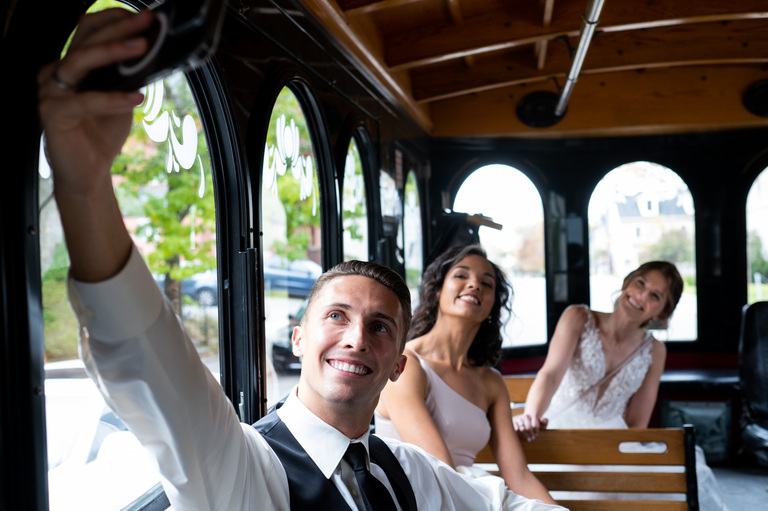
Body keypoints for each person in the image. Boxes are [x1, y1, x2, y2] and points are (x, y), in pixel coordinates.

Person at [37, 7, 568, 511]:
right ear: (297, 337)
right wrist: (84, 188)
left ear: (398, 364)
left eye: (381, 327)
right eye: (336, 316)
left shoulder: (405, 472)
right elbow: (151, 364)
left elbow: (507, 503)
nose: (357, 338)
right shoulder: (243, 465)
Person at [512, 261, 730, 511]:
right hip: (557, 426)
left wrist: (610, 456)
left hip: (613, 439)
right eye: (640, 283)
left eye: (654, 296)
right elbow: (550, 375)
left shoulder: (655, 351)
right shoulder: (578, 317)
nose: (640, 296)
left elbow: (637, 423)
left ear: (660, 313)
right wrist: (531, 415)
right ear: (627, 282)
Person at [375, 245, 557, 505]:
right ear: (438, 289)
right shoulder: (406, 364)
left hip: (465, 496)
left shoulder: (490, 382)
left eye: (487, 283)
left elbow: (518, 475)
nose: (474, 285)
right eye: (461, 276)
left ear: (492, 306)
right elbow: (440, 470)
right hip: (416, 498)